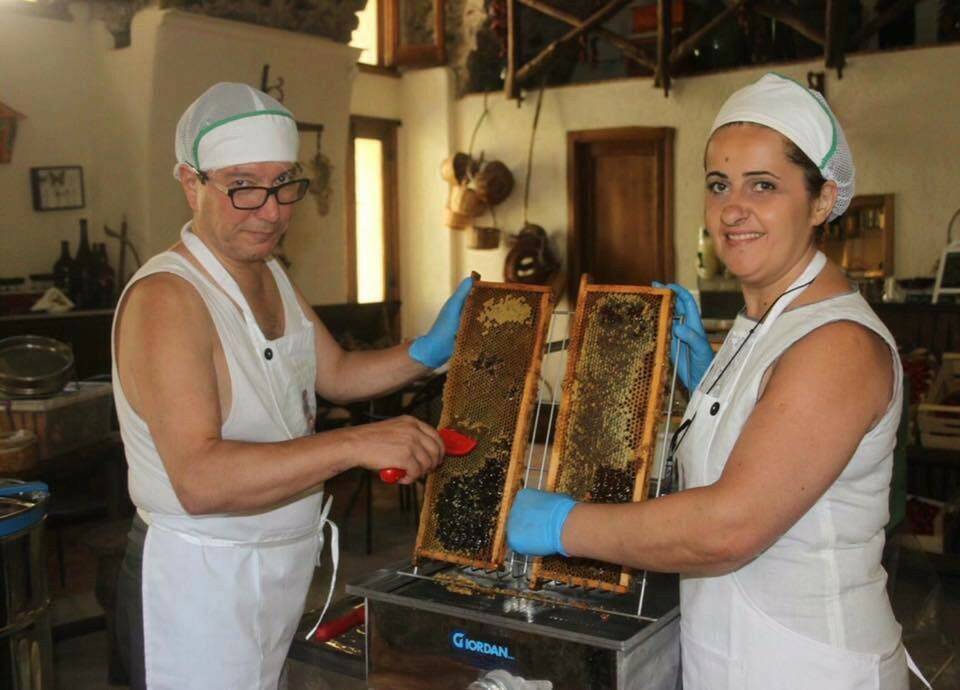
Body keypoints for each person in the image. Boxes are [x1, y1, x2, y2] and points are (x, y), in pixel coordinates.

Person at [507, 73, 929, 690]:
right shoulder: (765, 318)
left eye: (764, 185)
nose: (733, 209)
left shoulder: (837, 344)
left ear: (820, 200)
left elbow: (728, 527)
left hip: (810, 667)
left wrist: (562, 524)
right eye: (718, 185)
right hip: (736, 657)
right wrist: (712, 383)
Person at [112, 82, 471, 690]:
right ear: (190, 183)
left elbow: (336, 374)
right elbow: (200, 480)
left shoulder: (268, 272)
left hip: (273, 566)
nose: (273, 210)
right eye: (245, 186)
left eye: (284, 185)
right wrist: (356, 446)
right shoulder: (169, 299)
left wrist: (429, 349)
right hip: (198, 583)